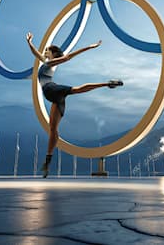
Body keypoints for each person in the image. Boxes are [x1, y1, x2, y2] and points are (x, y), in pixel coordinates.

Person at [26, 32, 122, 177]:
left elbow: (67, 57)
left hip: (51, 89)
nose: (44, 52)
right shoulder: (46, 62)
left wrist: (89, 47)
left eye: (47, 50)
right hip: (54, 98)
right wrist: (29, 42)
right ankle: (47, 162)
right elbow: (35, 53)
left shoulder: (50, 63)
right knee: (53, 130)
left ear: (53, 54)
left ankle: (107, 83)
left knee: (76, 90)